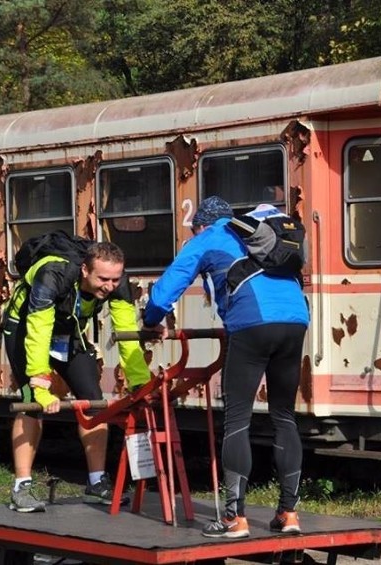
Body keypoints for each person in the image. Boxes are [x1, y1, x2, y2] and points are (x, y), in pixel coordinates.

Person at [142, 196, 309, 539]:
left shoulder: (206, 239)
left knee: (237, 420)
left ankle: (235, 518)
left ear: (201, 224)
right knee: (283, 416)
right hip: (296, 319)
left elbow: (163, 294)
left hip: (251, 322)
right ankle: (289, 515)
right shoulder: (261, 231)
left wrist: (150, 321)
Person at [2, 240, 151, 512]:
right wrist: (40, 382)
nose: (109, 286)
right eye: (103, 279)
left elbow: (127, 334)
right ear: (84, 270)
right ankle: (21, 487)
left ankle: (96, 484)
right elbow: (38, 329)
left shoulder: (117, 283)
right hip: (25, 329)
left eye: (115, 279)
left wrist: (140, 381)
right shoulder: (53, 274)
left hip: (68, 332)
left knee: (93, 401)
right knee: (32, 403)